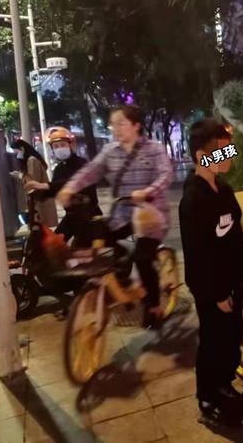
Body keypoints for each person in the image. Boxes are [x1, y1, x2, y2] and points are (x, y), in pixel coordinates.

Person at [57, 104, 173, 328]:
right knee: (94, 239)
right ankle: (119, 284)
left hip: (150, 216)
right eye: (113, 124)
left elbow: (165, 174)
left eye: (121, 123)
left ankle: (154, 305)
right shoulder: (110, 151)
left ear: (136, 125)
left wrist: (148, 191)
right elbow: (91, 171)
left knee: (143, 258)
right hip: (121, 214)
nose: (116, 129)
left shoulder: (154, 149)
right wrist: (70, 188)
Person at [179, 118, 243, 426]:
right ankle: (208, 399)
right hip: (211, 290)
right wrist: (217, 293)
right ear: (201, 156)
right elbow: (197, 255)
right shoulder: (193, 200)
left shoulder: (223, 189)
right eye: (222, 151)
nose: (229, 156)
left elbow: (235, 232)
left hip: (232, 282)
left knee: (233, 338)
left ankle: (225, 386)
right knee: (213, 343)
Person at [25, 127, 102, 247]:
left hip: (89, 216)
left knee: (81, 250)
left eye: (62, 145)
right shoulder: (59, 168)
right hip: (71, 217)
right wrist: (37, 193)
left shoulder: (82, 164)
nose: (59, 148)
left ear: (70, 145)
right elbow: (54, 189)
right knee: (52, 245)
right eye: (56, 146)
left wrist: (45, 185)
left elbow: (71, 183)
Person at [10, 138, 58, 227]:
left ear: (22, 149)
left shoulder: (31, 160)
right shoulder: (33, 159)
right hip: (41, 200)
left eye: (16, 152)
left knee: (42, 228)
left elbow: (32, 181)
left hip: (41, 201)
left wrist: (19, 176)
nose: (16, 155)